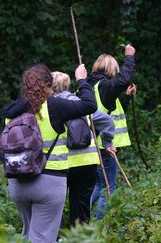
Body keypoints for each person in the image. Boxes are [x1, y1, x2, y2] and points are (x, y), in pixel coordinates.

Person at [2, 64, 96, 243]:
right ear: (48, 84)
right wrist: (82, 80)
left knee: (28, 235)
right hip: (50, 181)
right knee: (43, 238)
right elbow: (89, 105)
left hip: (17, 183)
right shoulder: (54, 106)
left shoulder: (11, 111)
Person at [51, 71, 115, 226]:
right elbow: (107, 121)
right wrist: (107, 143)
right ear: (67, 85)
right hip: (87, 163)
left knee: (53, 208)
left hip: (60, 164)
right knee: (81, 209)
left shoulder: (49, 106)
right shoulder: (82, 104)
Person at [89, 44, 137, 220]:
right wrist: (129, 56)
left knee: (98, 186)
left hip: (94, 145)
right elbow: (124, 79)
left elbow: (109, 110)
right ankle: (99, 227)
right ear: (111, 69)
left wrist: (125, 97)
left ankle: (81, 222)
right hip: (107, 146)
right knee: (108, 188)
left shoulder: (90, 87)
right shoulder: (105, 86)